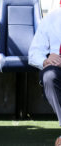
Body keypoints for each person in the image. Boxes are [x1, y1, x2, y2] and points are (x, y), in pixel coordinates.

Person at [28, 8, 61, 146]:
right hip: (58, 66)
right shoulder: (51, 18)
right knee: (49, 76)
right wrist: (45, 60)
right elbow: (34, 53)